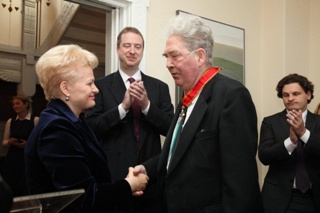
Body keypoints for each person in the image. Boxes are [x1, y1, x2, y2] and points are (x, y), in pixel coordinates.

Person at [133, 14, 263, 213]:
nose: (168, 63)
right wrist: (148, 170)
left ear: (200, 56)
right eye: (166, 57)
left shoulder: (232, 96)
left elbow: (241, 184)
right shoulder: (187, 98)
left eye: (174, 56)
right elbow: (179, 154)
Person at [25, 44, 149, 213]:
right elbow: (83, 198)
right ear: (65, 88)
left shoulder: (75, 120)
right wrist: (129, 185)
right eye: (90, 83)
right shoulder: (56, 129)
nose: (96, 89)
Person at [86, 27, 174, 212]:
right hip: (115, 179)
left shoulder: (160, 88)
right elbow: (92, 129)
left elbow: (171, 129)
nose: (132, 51)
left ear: (143, 50)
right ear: (118, 49)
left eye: (138, 46)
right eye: (127, 46)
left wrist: (147, 106)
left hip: (151, 179)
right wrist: (123, 108)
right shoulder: (99, 87)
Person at [258, 73, 320, 213]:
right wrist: (290, 142)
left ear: (308, 95)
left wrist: (303, 133)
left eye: (295, 93)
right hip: (279, 198)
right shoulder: (270, 122)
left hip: (314, 197)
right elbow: (264, 156)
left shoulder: (318, 122)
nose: (290, 98)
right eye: (285, 95)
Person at [2, 95, 39, 196]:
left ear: (26, 104)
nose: (15, 106)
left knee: (26, 186)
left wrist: (28, 145)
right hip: (13, 159)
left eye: (18, 103)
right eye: (13, 104)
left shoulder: (35, 120)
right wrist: (10, 142)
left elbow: (40, 142)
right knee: (13, 187)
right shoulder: (11, 121)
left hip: (28, 159)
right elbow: (4, 142)